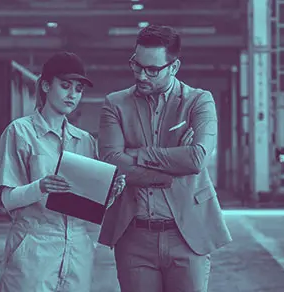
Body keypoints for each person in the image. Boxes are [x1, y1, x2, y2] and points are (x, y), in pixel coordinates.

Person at [97, 25, 233, 292]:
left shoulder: (199, 102)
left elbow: (196, 159)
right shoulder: (115, 104)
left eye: (152, 70)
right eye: (137, 66)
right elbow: (112, 161)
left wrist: (138, 154)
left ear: (174, 67)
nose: (142, 75)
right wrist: (169, 169)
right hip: (134, 236)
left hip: (188, 234)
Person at [0, 51, 126, 292]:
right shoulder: (20, 132)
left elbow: (89, 207)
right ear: (45, 85)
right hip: (35, 246)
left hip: (78, 249)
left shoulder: (85, 140)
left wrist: (110, 194)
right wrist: (41, 186)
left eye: (78, 89)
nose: (72, 95)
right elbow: (8, 199)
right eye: (65, 86)